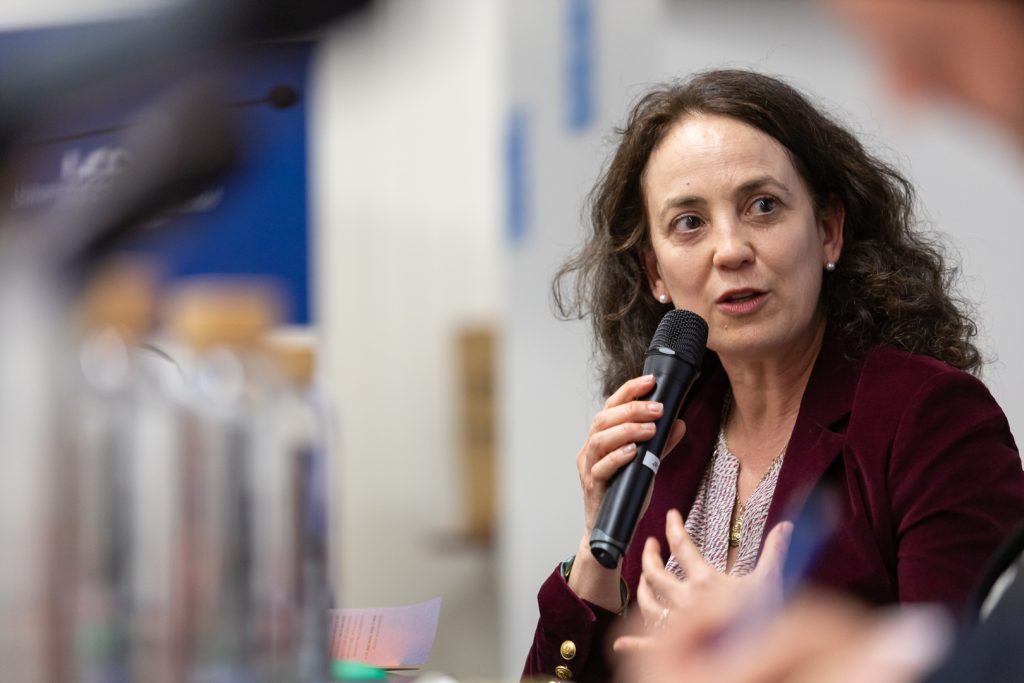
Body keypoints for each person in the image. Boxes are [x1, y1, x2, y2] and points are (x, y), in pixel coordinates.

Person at [520, 67, 1024, 683]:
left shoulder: (928, 416)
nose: (730, 249)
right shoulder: (666, 433)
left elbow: (982, 669)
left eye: (763, 206)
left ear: (828, 231)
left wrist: (786, 643)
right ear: (656, 274)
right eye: (689, 222)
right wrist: (597, 551)